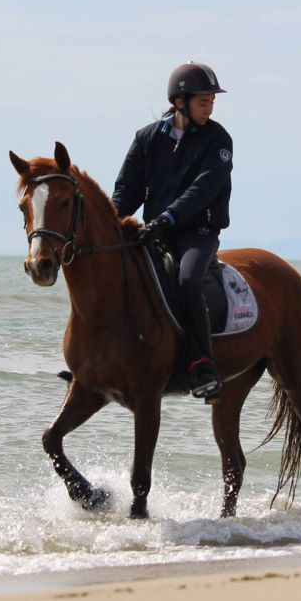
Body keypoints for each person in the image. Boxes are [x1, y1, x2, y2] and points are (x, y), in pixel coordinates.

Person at [112, 61, 233, 400]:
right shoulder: (146, 139)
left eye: (211, 102)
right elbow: (126, 192)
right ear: (180, 102)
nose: (209, 108)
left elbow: (203, 190)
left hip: (198, 232)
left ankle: (203, 365)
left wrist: (166, 218)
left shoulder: (219, 140)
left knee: (186, 281)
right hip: (155, 231)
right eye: (203, 102)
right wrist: (107, 223)